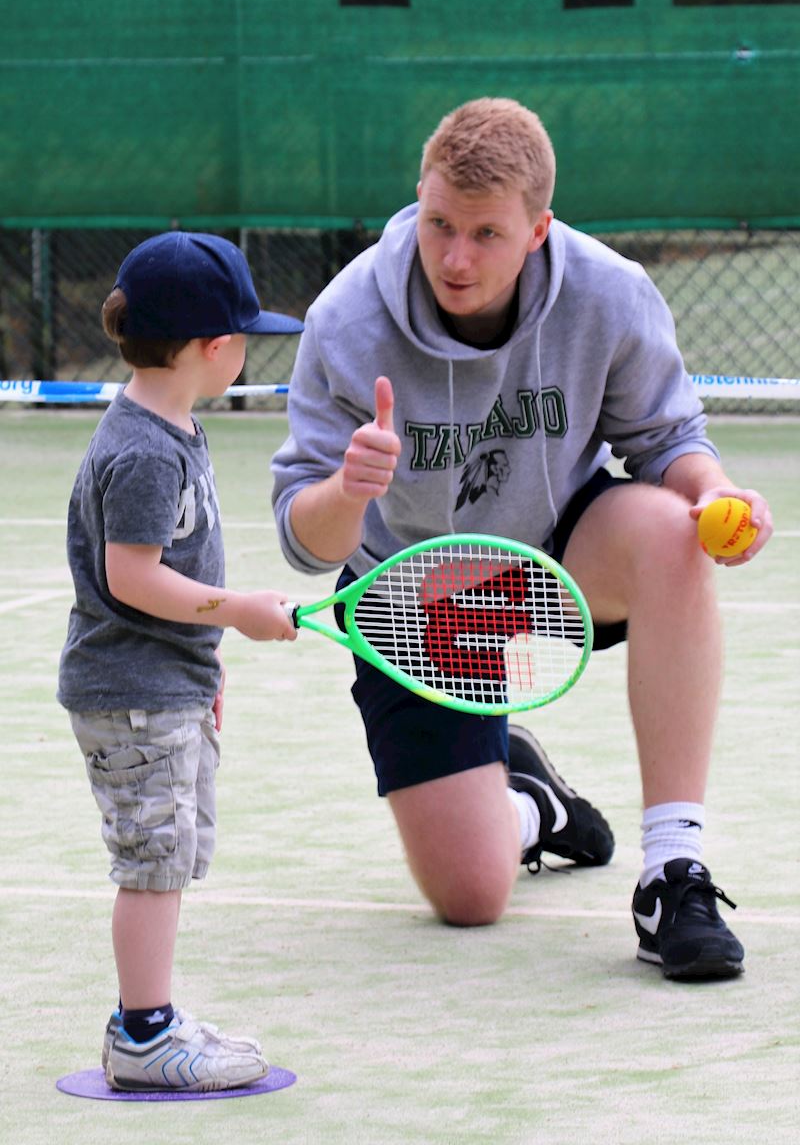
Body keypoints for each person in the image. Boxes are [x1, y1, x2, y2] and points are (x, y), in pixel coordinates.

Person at [271, 97, 773, 982]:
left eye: (486, 234)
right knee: (471, 898)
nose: (455, 256)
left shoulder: (608, 293)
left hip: (555, 554)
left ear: (539, 230)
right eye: (438, 224)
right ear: (417, 200)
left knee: (671, 533)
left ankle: (674, 874)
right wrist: (348, 493)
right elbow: (305, 545)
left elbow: (668, 442)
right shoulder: (346, 322)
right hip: (411, 593)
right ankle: (533, 801)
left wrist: (716, 494)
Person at [58, 231, 302, 1090]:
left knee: (168, 856)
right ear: (213, 347)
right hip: (132, 694)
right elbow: (133, 579)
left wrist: (209, 670)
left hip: (166, 686)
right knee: (152, 864)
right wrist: (239, 615)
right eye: (244, 336)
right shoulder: (145, 451)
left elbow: (171, 571)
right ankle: (143, 1035)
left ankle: (149, 1014)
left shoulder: (172, 427)